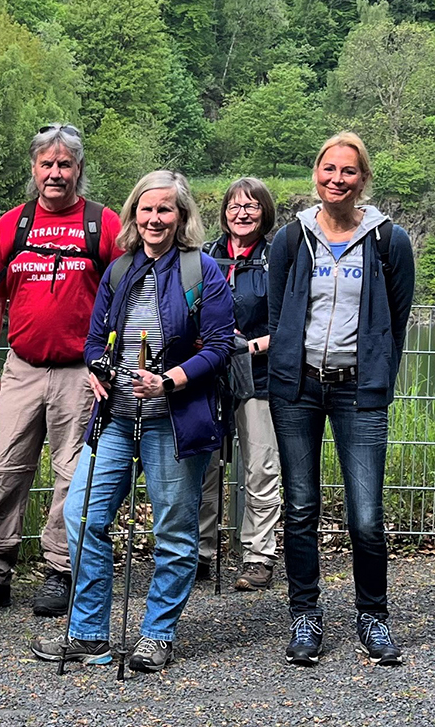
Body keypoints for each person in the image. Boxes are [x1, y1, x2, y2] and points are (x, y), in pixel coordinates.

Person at [31, 170, 234, 672]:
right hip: (116, 419)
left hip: (174, 421)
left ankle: (157, 635)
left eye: (165, 209)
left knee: (174, 530)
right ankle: (88, 634)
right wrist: (98, 368)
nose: (154, 218)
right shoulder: (119, 270)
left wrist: (169, 381)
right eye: (146, 209)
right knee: (82, 518)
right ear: (133, 215)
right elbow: (97, 340)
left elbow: (221, 346)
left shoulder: (201, 271)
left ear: (181, 216)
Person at [0, 124, 122, 617]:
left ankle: (60, 571)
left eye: (64, 164)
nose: (55, 173)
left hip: (81, 373)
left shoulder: (101, 223)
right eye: (47, 164)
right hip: (23, 366)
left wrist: (111, 364)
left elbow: (126, 291)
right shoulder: (14, 224)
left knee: (72, 477)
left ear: (78, 170)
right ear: (34, 169)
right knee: (2, 468)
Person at [268, 132, 415, 667]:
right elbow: (279, 313)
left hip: (359, 391)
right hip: (298, 389)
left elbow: (396, 323)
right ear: (316, 174)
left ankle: (372, 617)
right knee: (301, 507)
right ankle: (305, 617)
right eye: (329, 169)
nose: (337, 179)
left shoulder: (388, 241)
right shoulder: (291, 240)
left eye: (348, 171)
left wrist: (377, 376)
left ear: (363, 179)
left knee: (367, 516)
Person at [196, 177, 281, 591]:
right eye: (234, 206)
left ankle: (258, 556)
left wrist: (256, 346)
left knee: (260, 467)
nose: (242, 213)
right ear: (224, 213)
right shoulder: (206, 255)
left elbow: (295, 320)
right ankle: (198, 552)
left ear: (264, 212)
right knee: (203, 465)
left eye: (251, 206)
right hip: (209, 376)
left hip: (260, 375)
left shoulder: (277, 258)